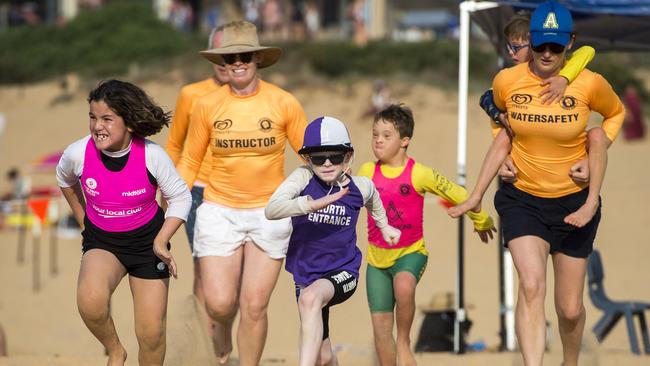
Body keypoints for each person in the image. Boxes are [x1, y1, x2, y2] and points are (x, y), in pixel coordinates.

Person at [450, 2, 625, 365]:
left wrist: (594, 156)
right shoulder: (508, 81)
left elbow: (615, 114)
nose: (547, 54)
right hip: (522, 200)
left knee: (570, 309)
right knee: (530, 287)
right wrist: (506, 157)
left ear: (570, 44)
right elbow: (500, 120)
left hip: (574, 202)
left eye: (556, 47)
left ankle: (570, 361)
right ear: (530, 41)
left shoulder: (589, 83)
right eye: (541, 45)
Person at [176, 20, 308, 366]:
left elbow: (310, 154)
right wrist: (170, 209)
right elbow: (189, 159)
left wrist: (334, 182)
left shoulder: (284, 102)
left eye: (245, 56)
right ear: (221, 62)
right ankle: (220, 333)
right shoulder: (206, 104)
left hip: (270, 214)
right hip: (219, 210)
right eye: (230, 56)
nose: (237, 62)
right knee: (219, 303)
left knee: (254, 305)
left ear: (258, 59)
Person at [56, 80, 191, 366]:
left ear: (128, 123)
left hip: (147, 245)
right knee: (90, 301)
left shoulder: (152, 155)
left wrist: (161, 239)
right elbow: (64, 180)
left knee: (151, 334)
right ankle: (116, 351)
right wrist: (84, 222)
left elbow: (180, 198)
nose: (97, 126)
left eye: (107, 118)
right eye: (92, 117)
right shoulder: (77, 153)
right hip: (103, 241)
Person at [357, 104, 496, 366]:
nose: (378, 140)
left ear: (405, 140)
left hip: (411, 253)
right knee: (380, 328)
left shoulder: (419, 173)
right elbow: (345, 198)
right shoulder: (366, 172)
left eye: (386, 135)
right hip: (376, 261)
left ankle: (405, 342)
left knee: (404, 286)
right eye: (375, 134)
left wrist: (481, 219)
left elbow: (458, 194)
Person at [265, 116, 401, 366]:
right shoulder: (303, 178)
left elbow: (374, 201)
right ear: (307, 159)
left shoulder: (360, 187)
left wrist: (384, 226)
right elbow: (271, 210)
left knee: (310, 299)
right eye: (318, 158)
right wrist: (310, 204)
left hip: (343, 272)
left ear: (348, 157)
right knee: (324, 357)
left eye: (335, 157)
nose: (327, 164)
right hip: (306, 274)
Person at [473, 14, 605, 228]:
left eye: (516, 47)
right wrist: (504, 153)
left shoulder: (565, 67)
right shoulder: (511, 78)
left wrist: (565, 77)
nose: (510, 52)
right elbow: (489, 102)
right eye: (509, 46)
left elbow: (587, 51)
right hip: (524, 185)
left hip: (568, 181)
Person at [164, 25, 230, 345]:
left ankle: (224, 332)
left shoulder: (254, 97)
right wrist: (165, 189)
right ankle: (204, 347)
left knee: (235, 275)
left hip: (238, 194)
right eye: (217, 52)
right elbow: (174, 146)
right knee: (204, 269)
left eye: (230, 52)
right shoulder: (191, 94)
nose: (224, 60)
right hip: (198, 192)